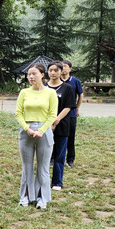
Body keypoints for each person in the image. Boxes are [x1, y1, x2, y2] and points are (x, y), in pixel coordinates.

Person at [15, 64, 58, 210]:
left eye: (34, 74)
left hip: (44, 132)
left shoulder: (50, 93)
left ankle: (42, 198)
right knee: (27, 167)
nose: (31, 77)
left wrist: (41, 130)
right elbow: (18, 113)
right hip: (26, 131)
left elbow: (52, 115)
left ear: (42, 75)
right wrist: (27, 129)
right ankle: (25, 196)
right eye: (28, 74)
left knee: (43, 168)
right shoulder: (24, 92)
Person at [46, 62, 75, 191]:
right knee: (45, 156)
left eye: (55, 70)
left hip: (61, 125)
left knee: (59, 155)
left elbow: (68, 107)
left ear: (60, 71)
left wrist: (56, 120)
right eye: (50, 70)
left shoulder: (67, 88)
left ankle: (57, 182)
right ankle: (43, 180)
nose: (53, 73)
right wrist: (48, 123)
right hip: (44, 126)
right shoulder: (43, 88)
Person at [61, 60, 83, 168]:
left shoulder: (75, 81)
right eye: (61, 66)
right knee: (56, 137)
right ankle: (53, 158)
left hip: (71, 114)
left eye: (65, 66)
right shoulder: (57, 81)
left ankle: (70, 160)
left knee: (70, 137)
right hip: (57, 114)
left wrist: (77, 108)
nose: (63, 68)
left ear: (70, 69)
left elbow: (80, 95)